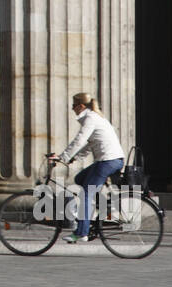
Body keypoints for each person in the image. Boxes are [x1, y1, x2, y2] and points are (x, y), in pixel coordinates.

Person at [48, 93, 125, 244]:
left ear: (81, 106)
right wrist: (72, 159)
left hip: (107, 161)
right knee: (80, 179)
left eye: (73, 106)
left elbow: (80, 140)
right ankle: (96, 209)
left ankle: (82, 233)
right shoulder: (96, 117)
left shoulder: (91, 118)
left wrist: (63, 157)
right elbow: (89, 145)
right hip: (111, 160)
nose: (72, 109)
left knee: (85, 195)